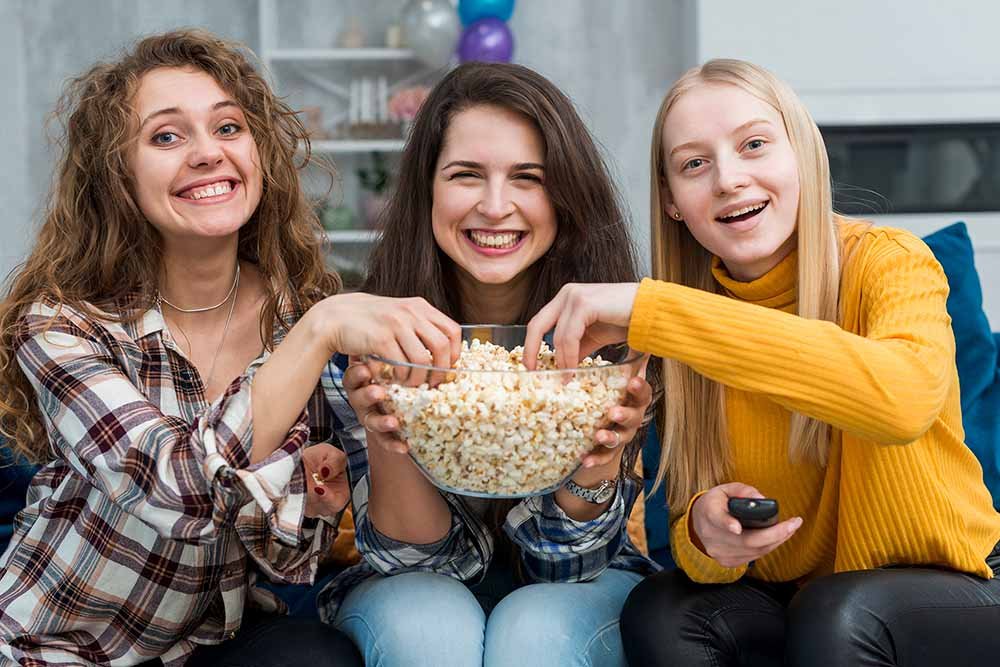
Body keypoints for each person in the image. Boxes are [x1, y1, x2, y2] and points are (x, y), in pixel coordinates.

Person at [0, 29, 462, 666]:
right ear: (117, 175)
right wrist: (317, 335)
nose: (206, 154)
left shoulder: (296, 318)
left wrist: (315, 497)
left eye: (227, 128)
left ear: (260, 153)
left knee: (313, 656)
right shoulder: (63, 325)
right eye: (166, 136)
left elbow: (295, 552)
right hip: (56, 650)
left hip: (205, 645)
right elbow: (176, 488)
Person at [523, 58, 1000, 666]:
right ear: (672, 202)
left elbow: (901, 401)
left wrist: (661, 311)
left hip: (958, 587)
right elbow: (692, 538)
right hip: (798, 598)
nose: (728, 179)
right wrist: (706, 530)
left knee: (841, 612)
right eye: (695, 164)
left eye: (753, 145)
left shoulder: (890, 263)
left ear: (800, 153)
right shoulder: (683, 322)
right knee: (663, 608)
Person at [314, 62, 661, 666]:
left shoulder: (613, 333)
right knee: (426, 624)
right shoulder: (366, 335)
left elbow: (567, 562)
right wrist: (387, 431)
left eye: (527, 178)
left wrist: (597, 461)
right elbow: (418, 563)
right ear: (427, 189)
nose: (495, 207)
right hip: (410, 586)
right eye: (466, 175)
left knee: (535, 628)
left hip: (582, 581)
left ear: (566, 194)